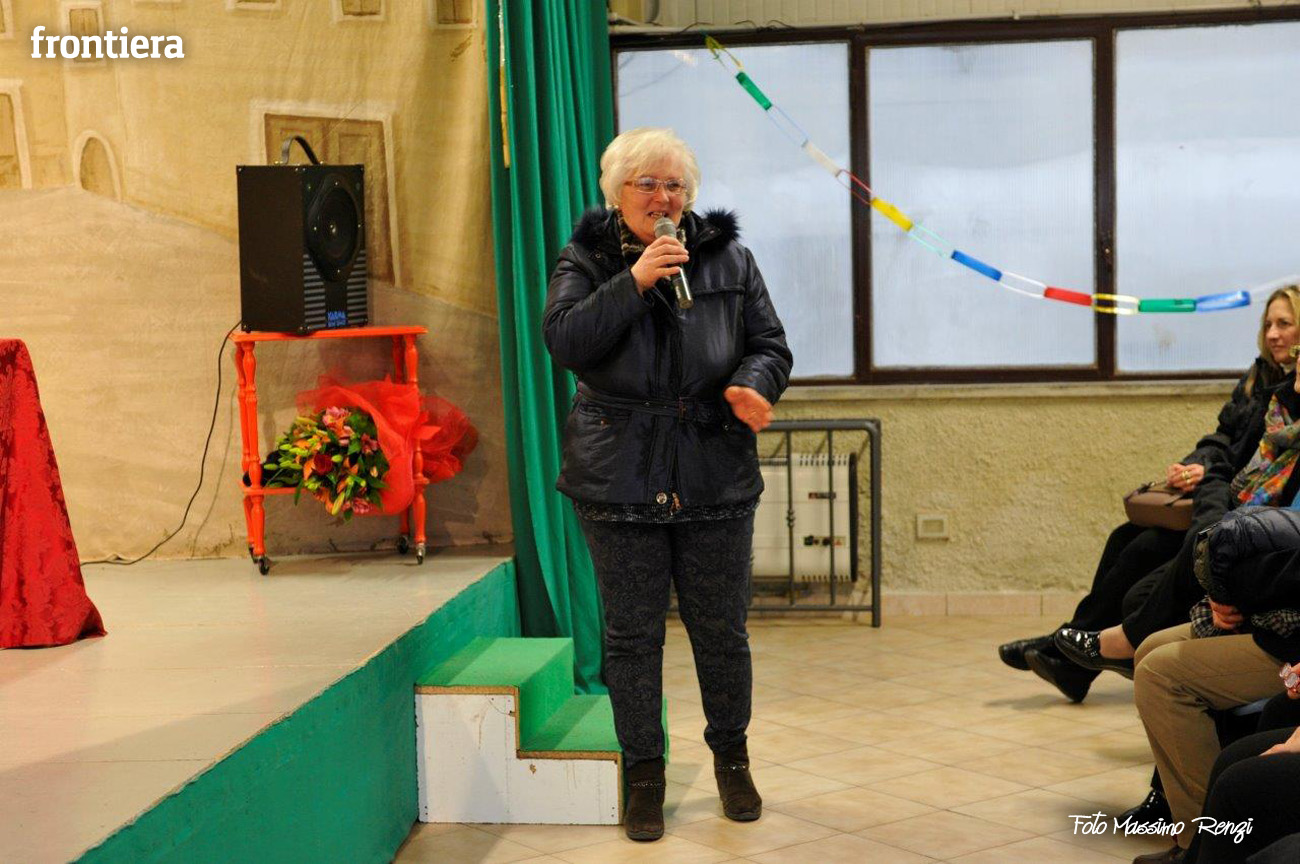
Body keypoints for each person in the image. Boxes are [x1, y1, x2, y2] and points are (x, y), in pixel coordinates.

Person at [543, 127, 793, 842]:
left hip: (714, 468)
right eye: (647, 184)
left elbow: (770, 346)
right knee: (632, 636)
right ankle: (644, 775)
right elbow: (565, 341)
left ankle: (732, 760)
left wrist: (752, 384)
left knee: (722, 631)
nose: (663, 198)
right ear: (616, 193)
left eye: (675, 185)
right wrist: (634, 282)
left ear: (690, 195)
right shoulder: (585, 259)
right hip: (617, 472)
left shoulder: (729, 258)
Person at [1000, 287, 1300, 702]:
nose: (1272, 334)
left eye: (1284, 323)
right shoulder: (1258, 378)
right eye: (1268, 324)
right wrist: (1194, 463)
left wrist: (1211, 470)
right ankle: (1070, 654)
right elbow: (1222, 438)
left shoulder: (1287, 395)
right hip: (1220, 495)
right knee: (1124, 538)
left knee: (1142, 555)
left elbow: (1250, 467)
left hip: (1233, 508)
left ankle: (1069, 650)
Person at [1128, 503, 1300, 862]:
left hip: (1288, 635)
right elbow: (1259, 522)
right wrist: (1225, 589)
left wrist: (1240, 585)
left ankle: (1197, 841)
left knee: (1160, 675)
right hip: (1270, 608)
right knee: (1149, 649)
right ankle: (1190, 827)